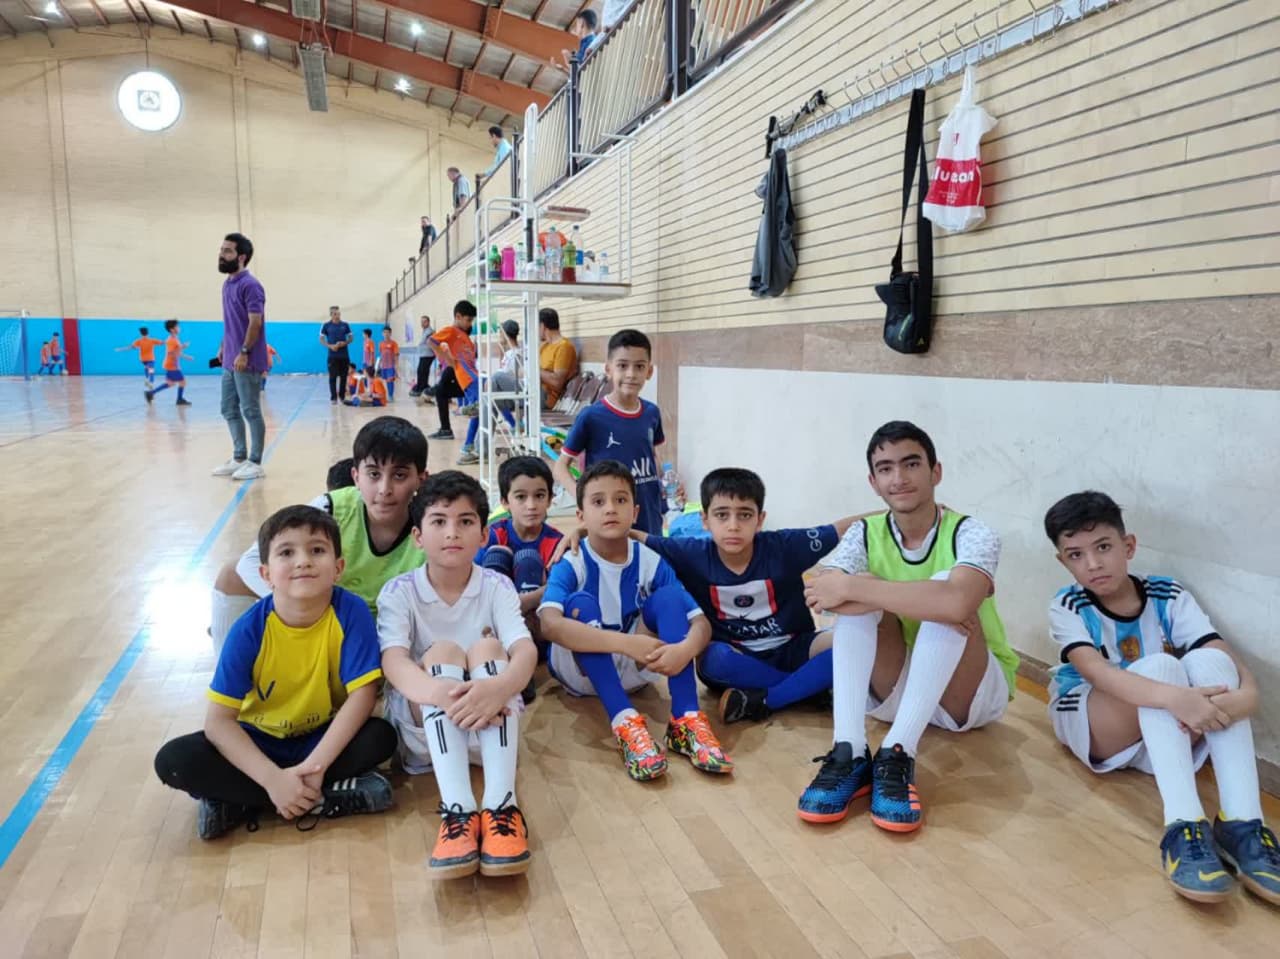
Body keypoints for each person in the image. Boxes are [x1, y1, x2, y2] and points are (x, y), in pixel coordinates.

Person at [1043, 491, 1278, 905]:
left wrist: (1248, 695)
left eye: (1103, 547)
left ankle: (1243, 823)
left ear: (1128, 546)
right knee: (1159, 667)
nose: (1093, 564)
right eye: (1076, 555)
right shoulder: (1069, 604)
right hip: (1093, 720)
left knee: (1207, 661)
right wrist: (1176, 699)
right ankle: (1183, 825)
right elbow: (1098, 674)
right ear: (1064, 562)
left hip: (1164, 730)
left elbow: (1219, 652)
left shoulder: (1167, 593)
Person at [800, 421, 1018, 833]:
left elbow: (956, 603)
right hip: (899, 686)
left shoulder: (974, 533)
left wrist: (860, 588)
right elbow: (822, 594)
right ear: (873, 482)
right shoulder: (865, 532)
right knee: (878, 597)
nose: (898, 478)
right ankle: (849, 750)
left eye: (911, 463)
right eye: (885, 468)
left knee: (944, 596)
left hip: (969, 694)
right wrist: (872, 592)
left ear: (936, 472)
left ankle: (899, 752)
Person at [154, 505, 397, 839]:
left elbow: (363, 696)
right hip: (258, 741)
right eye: (286, 552)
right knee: (175, 760)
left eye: (317, 550)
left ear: (338, 567)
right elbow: (219, 722)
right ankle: (321, 796)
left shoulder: (351, 611)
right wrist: (272, 780)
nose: (303, 561)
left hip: (319, 738)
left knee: (381, 737)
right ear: (266, 574)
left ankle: (238, 802)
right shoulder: (249, 630)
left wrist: (315, 767)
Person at [377, 472, 536, 879]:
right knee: (442, 652)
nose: (452, 532)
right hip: (428, 735)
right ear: (417, 535)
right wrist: (445, 695)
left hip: (492, 728)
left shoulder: (497, 585)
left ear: (483, 535)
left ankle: (501, 805)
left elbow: (525, 650)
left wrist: (497, 688)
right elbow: (394, 662)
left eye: (465, 521)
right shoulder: (398, 591)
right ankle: (457, 810)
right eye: (439, 521)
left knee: (489, 650)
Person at [539, 460, 732, 781]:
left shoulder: (650, 560)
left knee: (670, 599)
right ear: (580, 516)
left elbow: (701, 623)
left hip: (638, 669)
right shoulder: (572, 560)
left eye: (620, 500)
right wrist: (627, 644)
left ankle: (685, 718)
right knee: (579, 604)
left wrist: (684, 650)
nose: (610, 508)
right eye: (598, 501)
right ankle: (624, 719)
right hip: (580, 673)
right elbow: (549, 624)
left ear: (636, 511)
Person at [638, 468, 864, 724]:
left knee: (854, 643)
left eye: (744, 515)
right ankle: (806, 689)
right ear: (705, 520)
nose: (733, 526)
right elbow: (637, 537)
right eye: (722, 515)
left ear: (760, 519)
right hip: (737, 657)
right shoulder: (690, 552)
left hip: (795, 647)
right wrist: (595, 527)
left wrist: (897, 514)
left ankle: (769, 698)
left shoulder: (784, 546)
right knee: (714, 660)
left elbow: (845, 528)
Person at [209, 417, 429, 650]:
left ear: (420, 479)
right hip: (327, 619)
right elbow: (250, 562)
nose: (385, 489)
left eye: (399, 475)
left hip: (396, 633)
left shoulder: (434, 522)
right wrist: (299, 606)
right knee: (231, 574)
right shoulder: (330, 508)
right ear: (356, 477)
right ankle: (228, 663)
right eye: (374, 474)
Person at [553, 328, 664, 536]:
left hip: (649, 519)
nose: (631, 374)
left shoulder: (652, 413)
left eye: (639, 366)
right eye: (622, 365)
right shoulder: (591, 417)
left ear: (649, 371)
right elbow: (560, 467)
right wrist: (585, 500)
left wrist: (665, 484)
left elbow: (653, 457)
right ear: (608, 369)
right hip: (608, 523)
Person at [480, 456, 564, 643]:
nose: (531, 506)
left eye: (539, 496)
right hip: (493, 622)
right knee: (497, 555)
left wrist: (523, 602)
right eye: (521, 497)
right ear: (505, 502)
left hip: (537, 625)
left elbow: (561, 589)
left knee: (528, 561)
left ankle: (532, 646)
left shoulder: (557, 543)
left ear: (550, 499)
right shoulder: (492, 535)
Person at [213, 232, 268, 481]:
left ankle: (255, 462)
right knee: (228, 408)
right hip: (229, 360)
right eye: (221, 250)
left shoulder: (251, 285)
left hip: (247, 360)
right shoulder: (227, 284)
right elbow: (231, 322)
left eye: (227, 251)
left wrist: (244, 352)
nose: (221, 254)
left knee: (250, 410)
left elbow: (255, 323)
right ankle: (239, 457)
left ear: (241, 257)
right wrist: (224, 345)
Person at [427, 300, 478, 443]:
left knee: (441, 391)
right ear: (458, 316)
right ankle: (446, 429)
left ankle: (448, 428)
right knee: (441, 391)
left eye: (471, 320)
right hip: (459, 373)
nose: (470, 324)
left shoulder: (466, 337)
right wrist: (444, 358)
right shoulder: (451, 331)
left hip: (469, 377)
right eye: (468, 320)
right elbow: (431, 341)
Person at [145, 319, 193, 407]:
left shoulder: (175, 339)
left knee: (171, 383)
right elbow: (171, 353)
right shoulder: (171, 340)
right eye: (177, 326)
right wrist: (183, 346)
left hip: (171, 364)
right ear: (172, 329)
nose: (179, 328)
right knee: (182, 382)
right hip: (172, 365)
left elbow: (176, 352)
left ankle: (150, 393)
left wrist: (186, 357)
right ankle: (179, 400)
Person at [538, 308, 578, 408]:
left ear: (542, 326)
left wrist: (534, 371)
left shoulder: (564, 347)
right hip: (535, 389)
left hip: (547, 397)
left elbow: (557, 382)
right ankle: (509, 418)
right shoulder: (544, 347)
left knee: (500, 379)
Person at [321, 306, 353, 405]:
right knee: (333, 377)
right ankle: (334, 398)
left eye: (338, 314)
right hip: (332, 356)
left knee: (344, 377)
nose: (337, 316)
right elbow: (321, 339)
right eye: (335, 314)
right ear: (331, 315)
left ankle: (342, 397)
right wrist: (330, 346)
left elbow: (351, 338)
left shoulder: (345, 325)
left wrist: (344, 343)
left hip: (344, 356)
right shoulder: (326, 325)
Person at [409, 315, 435, 398]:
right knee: (420, 371)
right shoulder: (424, 331)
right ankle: (421, 386)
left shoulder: (430, 332)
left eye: (424, 322)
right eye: (421, 322)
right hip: (423, 355)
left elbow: (431, 342)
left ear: (428, 322)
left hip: (428, 355)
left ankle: (422, 388)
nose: (422, 323)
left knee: (423, 372)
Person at [378, 326, 400, 400]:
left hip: (391, 365)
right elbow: (381, 354)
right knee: (386, 380)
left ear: (390, 333)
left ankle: (391, 396)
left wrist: (396, 365)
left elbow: (396, 355)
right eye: (384, 332)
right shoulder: (381, 343)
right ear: (382, 333)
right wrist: (379, 364)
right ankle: (387, 395)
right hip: (384, 366)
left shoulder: (394, 343)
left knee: (390, 380)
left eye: (388, 332)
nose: (386, 334)